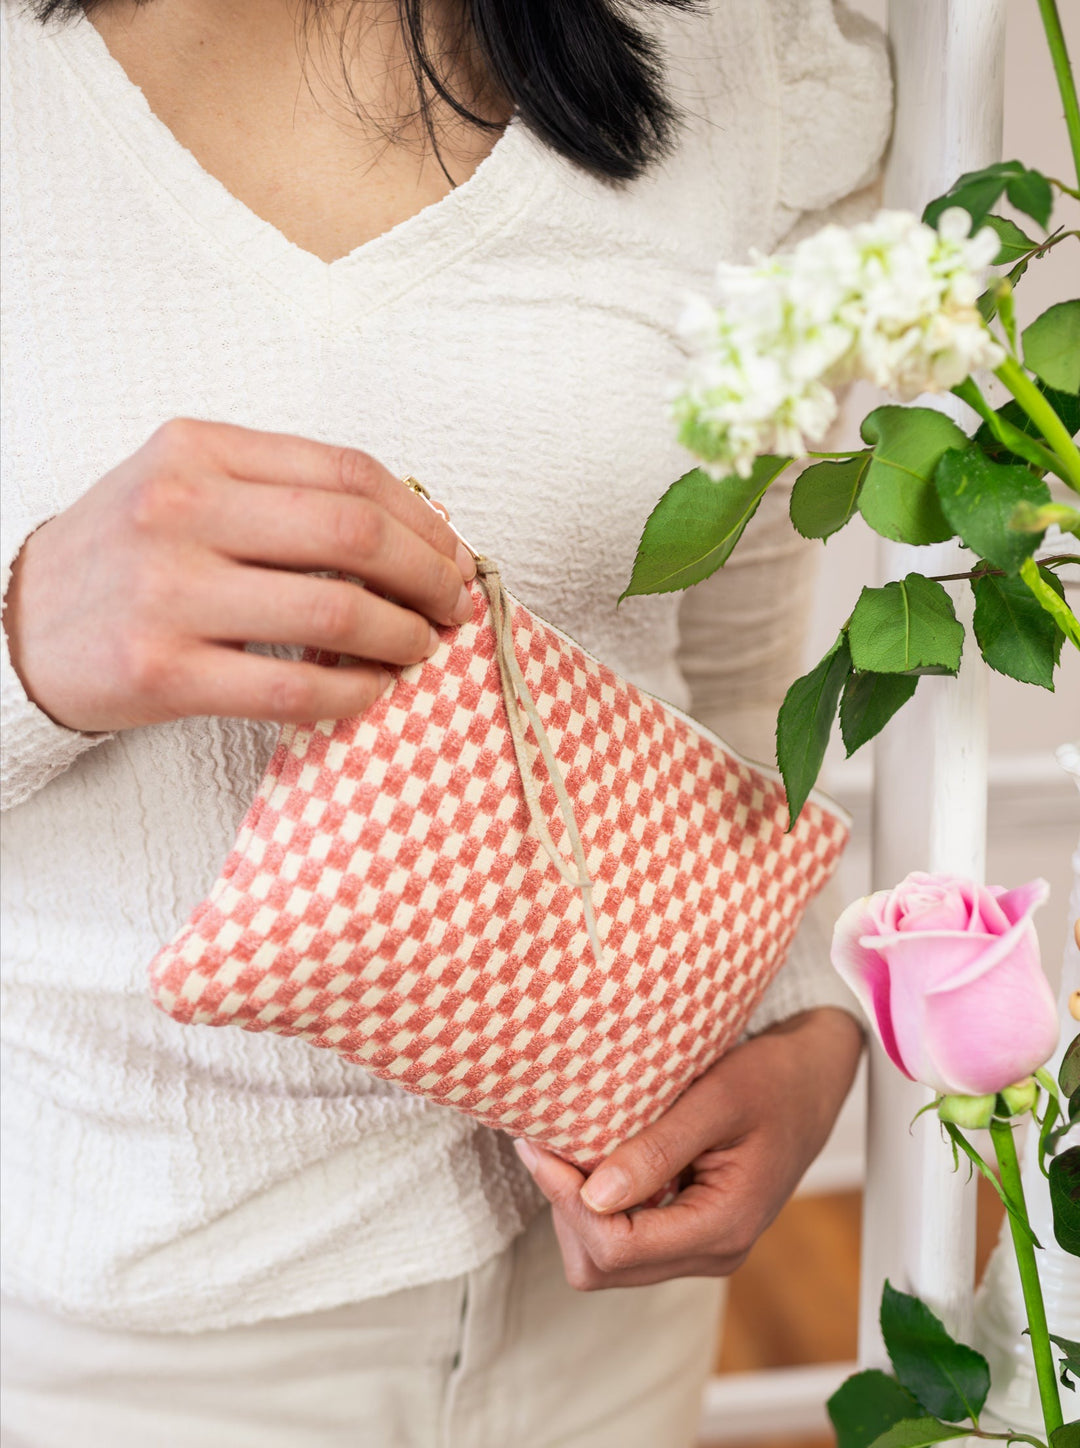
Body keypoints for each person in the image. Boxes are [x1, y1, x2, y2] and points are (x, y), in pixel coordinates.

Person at [0, 0, 891, 1442]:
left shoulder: (747, 55)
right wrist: (25, 639)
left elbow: (739, 667)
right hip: (115, 1338)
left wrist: (798, 1009)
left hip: (604, 1293)